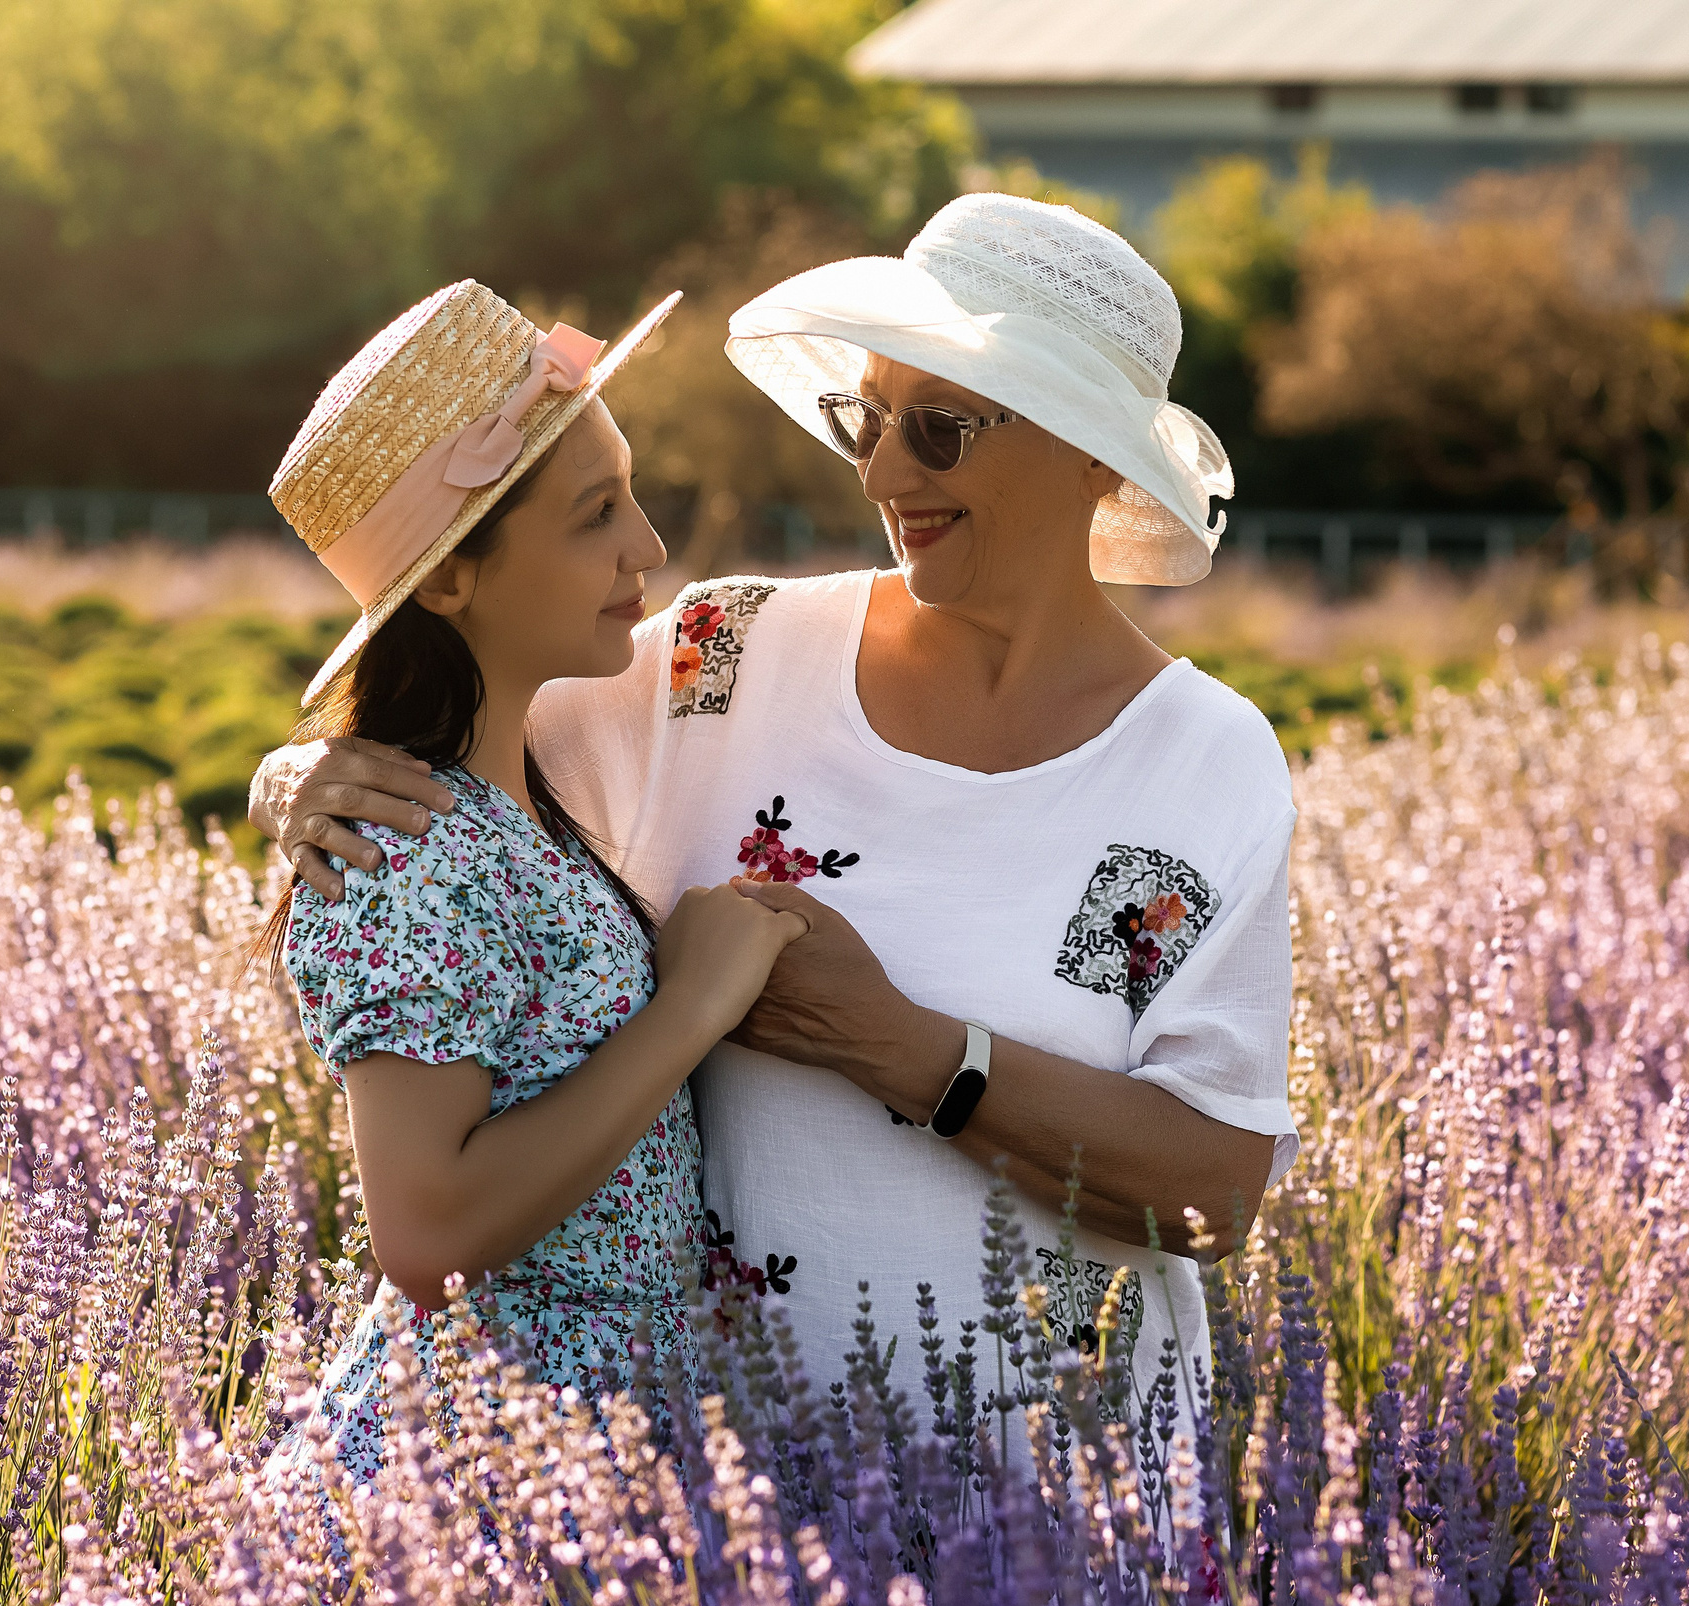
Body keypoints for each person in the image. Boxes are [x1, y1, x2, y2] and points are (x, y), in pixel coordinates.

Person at [253, 196, 1300, 1423]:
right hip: (742, 1503)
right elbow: (454, 730)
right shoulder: (726, 657)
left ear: (1090, 455)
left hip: (1061, 1518)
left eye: (942, 429)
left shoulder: (1201, 763)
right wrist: (302, 777)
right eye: (867, 418)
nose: (880, 469)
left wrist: (902, 1047)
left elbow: (1212, 1197)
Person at [257, 279, 806, 1472]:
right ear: (450, 581)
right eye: (594, 515)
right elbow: (426, 1230)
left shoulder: (515, 799)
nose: (648, 548)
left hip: (590, 1445)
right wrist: (689, 1010)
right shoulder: (398, 845)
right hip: (482, 1473)